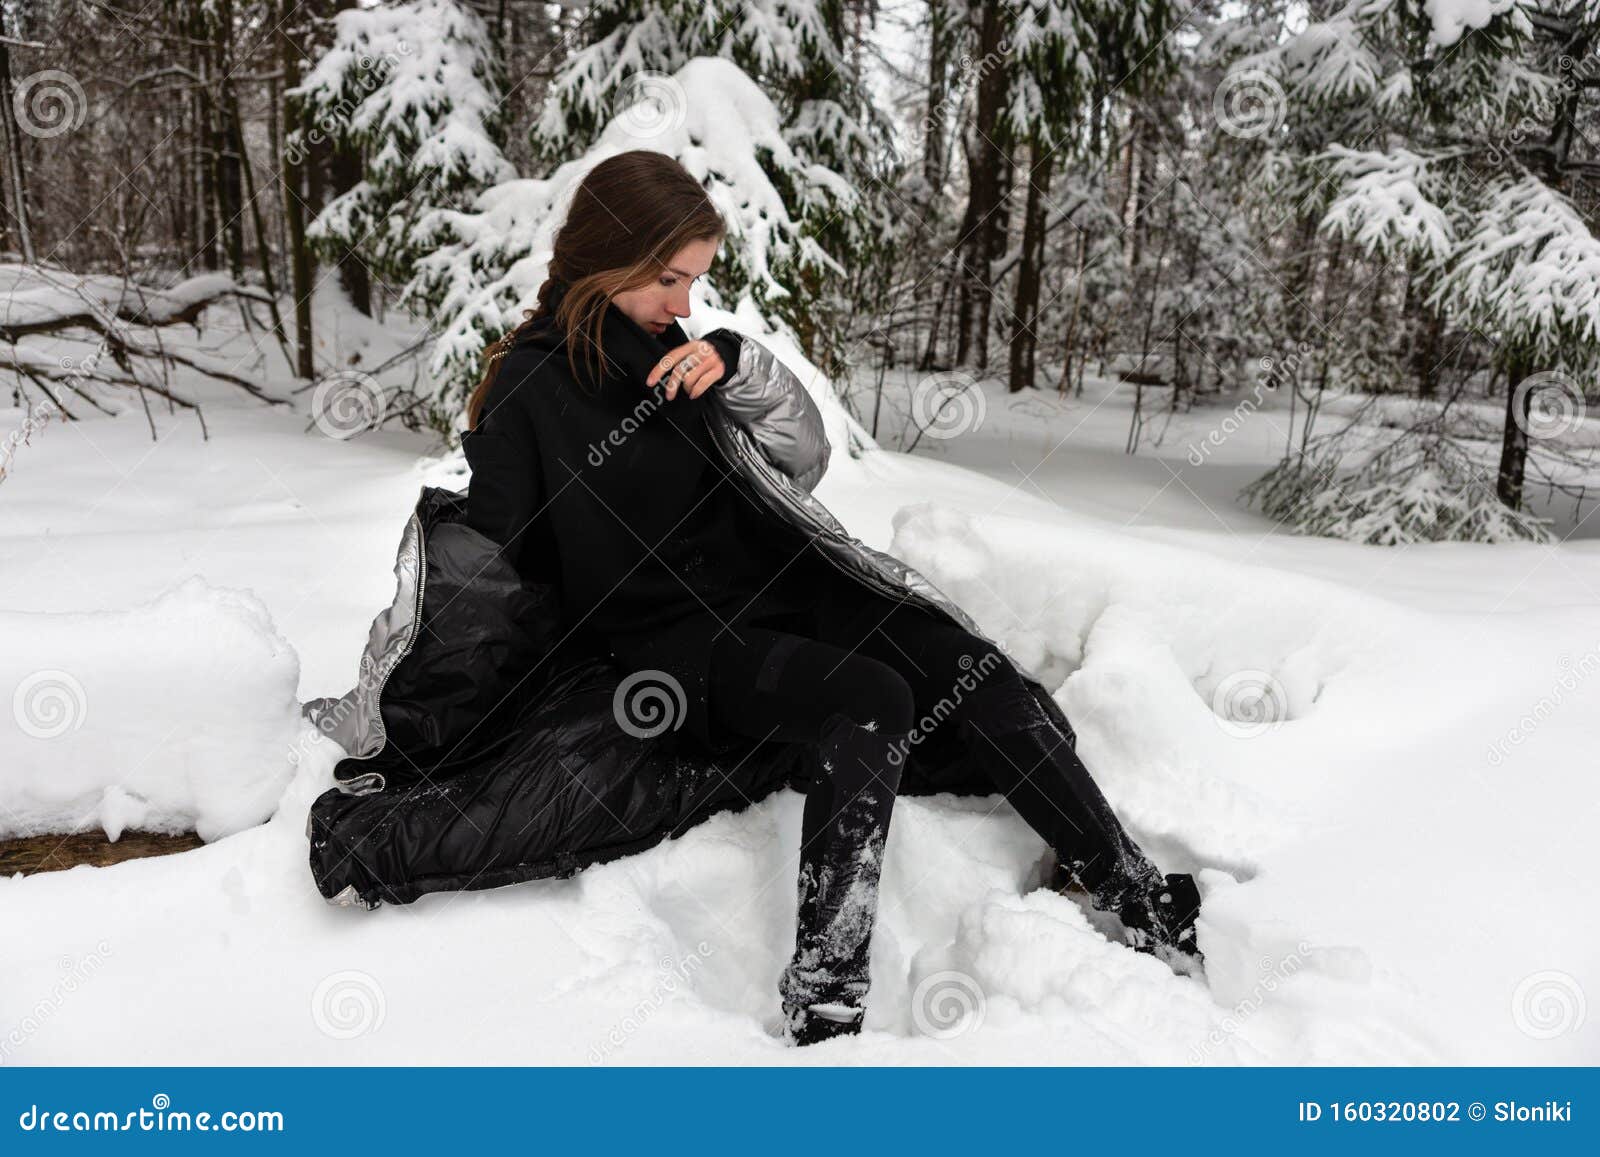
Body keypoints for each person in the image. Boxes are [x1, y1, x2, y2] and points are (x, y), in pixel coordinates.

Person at [460, 150, 1201, 1048]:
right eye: (669, 278)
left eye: (696, 282)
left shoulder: (686, 354)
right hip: (670, 646)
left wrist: (739, 366)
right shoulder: (525, 390)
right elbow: (495, 569)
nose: (687, 303)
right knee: (873, 699)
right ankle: (827, 997)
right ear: (608, 253)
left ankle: (1135, 892)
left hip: (780, 588)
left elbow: (805, 462)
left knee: (966, 665)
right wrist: (467, 704)